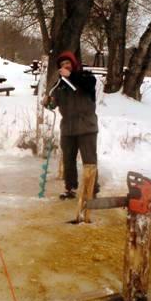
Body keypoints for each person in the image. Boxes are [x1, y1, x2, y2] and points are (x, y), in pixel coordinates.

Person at [44, 51, 99, 199]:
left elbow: (88, 86)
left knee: (89, 160)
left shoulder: (86, 77)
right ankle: (70, 188)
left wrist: (71, 76)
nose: (65, 66)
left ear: (73, 64)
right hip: (68, 128)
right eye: (62, 65)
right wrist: (48, 102)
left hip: (87, 126)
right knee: (68, 160)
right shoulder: (60, 85)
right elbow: (52, 104)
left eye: (67, 63)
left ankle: (92, 189)